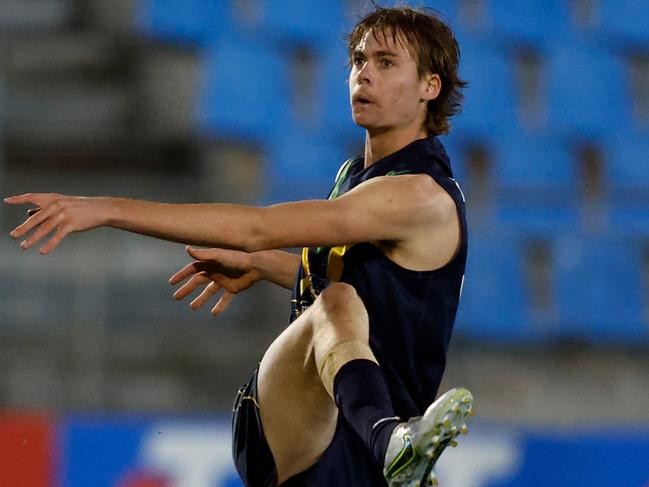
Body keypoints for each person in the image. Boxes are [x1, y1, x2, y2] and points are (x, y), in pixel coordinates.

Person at [5, 6, 472, 487]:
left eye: (386, 62)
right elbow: (346, 295)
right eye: (358, 59)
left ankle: (394, 450)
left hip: (351, 463)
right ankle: (393, 443)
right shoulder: (358, 176)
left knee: (338, 303)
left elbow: (258, 227)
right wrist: (265, 265)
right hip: (293, 426)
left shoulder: (418, 194)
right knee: (337, 299)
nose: (364, 73)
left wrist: (108, 208)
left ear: (429, 87)